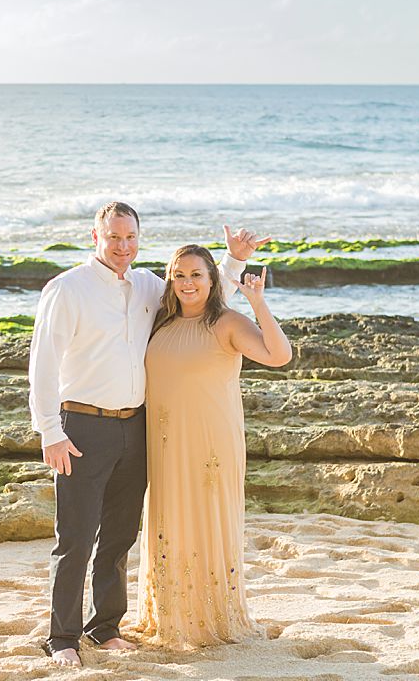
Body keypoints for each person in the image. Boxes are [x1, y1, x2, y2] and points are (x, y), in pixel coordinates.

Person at [28, 201, 268, 667]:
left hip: (136, 427)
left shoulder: (147, 286)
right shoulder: (67, 289)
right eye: (113, 237)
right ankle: (62, 638)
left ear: (139, 239)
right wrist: (50, 431)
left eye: (130, 237)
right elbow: (43, 364)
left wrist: (233, 261)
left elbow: (199, 297)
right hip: (81, 426)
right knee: (76, 536)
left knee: (119, 535)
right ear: (93, 237)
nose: (122, 246)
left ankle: (105, 627)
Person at [134, 244, 291, 649]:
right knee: (169, 519)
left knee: (207, 520)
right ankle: (169, 616)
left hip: (210, 443)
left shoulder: (227, 322)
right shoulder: (160, 323)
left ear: (212, 280)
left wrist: (258, 302)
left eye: (196, 275)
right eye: (179, 275)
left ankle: (211, 617)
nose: (187, 283)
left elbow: (279, 355)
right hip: (165, 443)